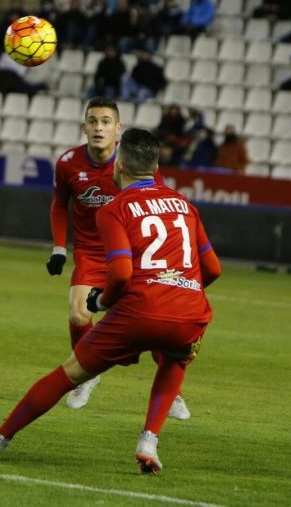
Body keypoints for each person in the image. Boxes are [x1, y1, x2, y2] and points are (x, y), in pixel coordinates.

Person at [0, 128, 221, 472]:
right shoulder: (185, 205)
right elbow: (213, 268)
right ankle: (148, 440)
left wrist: (100, 301)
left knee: (70, 373)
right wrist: (185, 287)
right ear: (155, 168)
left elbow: (122, 273)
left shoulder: (114, 209)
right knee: (175, 360)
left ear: (119, 165)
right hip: (188, 310)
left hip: (137, 310)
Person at [46, 99, 191, 419]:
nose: (99, 127)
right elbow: (59, 205)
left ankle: (173, 393)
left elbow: (160, 204)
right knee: (77, 313)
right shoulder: (68, 163)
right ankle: (88, 374)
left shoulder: (134, 162)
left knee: (153, 323)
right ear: (84, 127)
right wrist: (59, 248)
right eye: (93, 121)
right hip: (92, 253)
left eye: (106, 121)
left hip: (135, 254)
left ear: (117, 129)